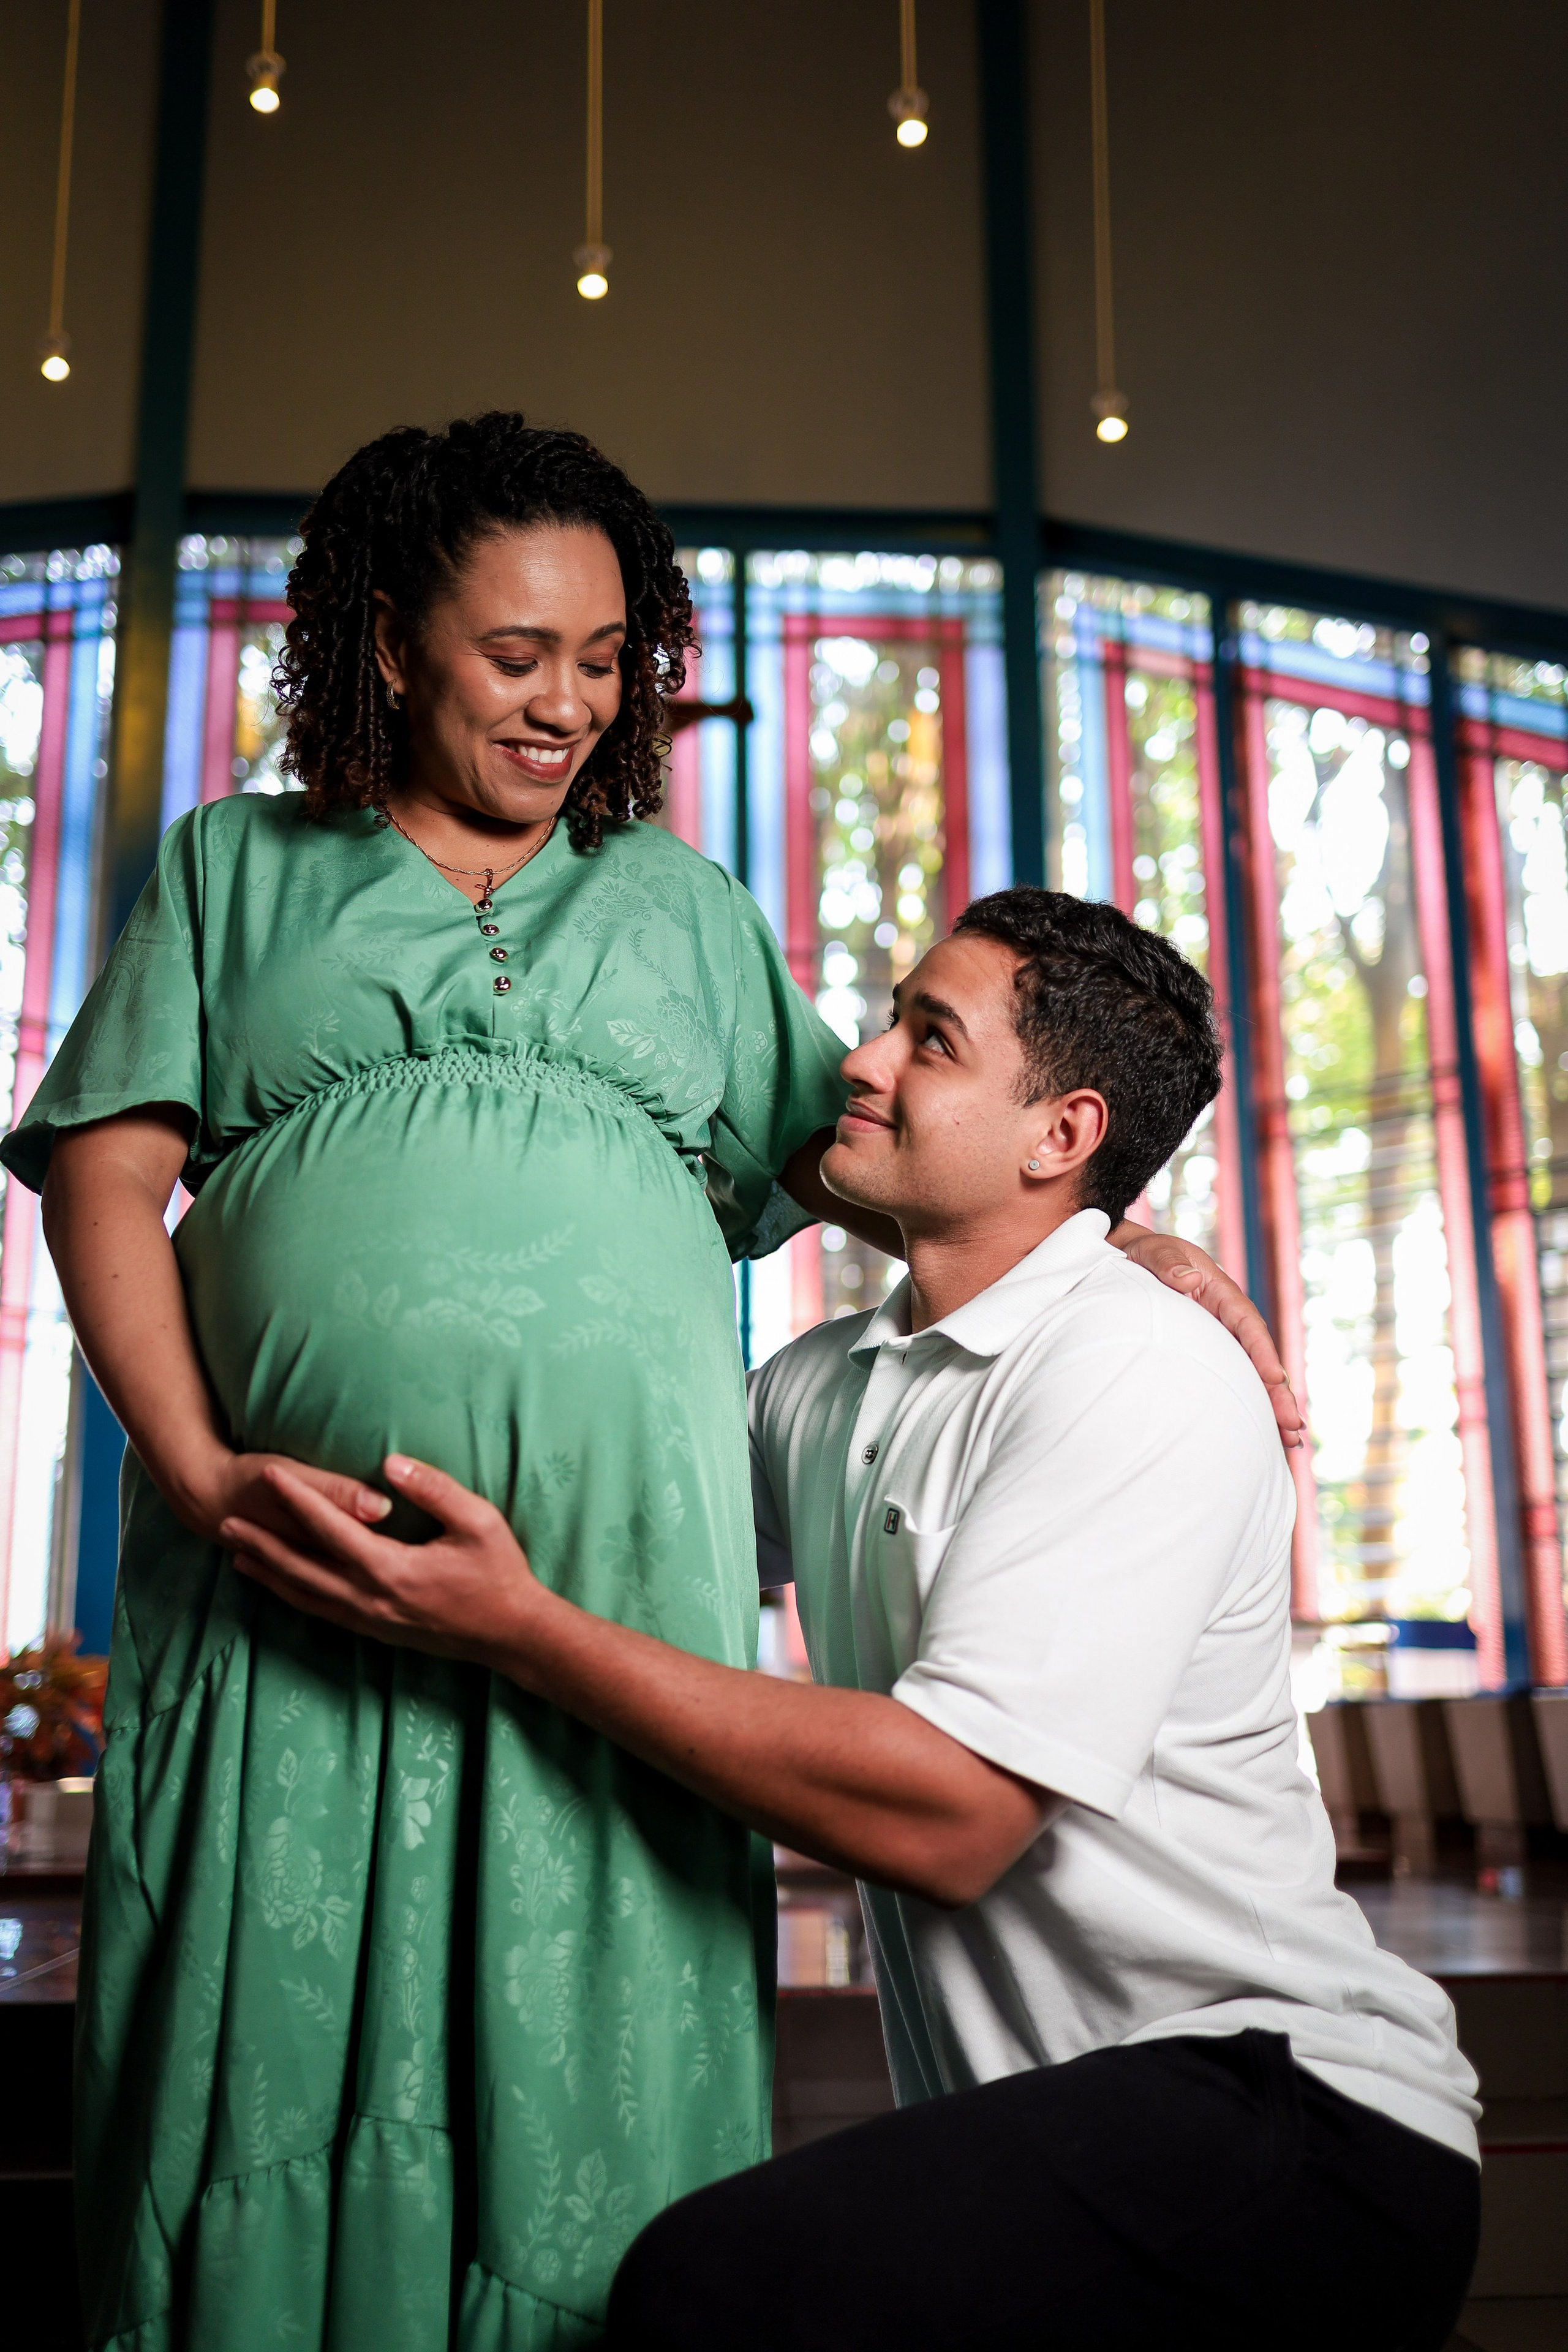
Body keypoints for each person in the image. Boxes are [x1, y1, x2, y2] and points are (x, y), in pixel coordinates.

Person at [5, 413, 1283, 2352]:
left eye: (607, 663)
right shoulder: (234, 870)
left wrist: (1127, 1236)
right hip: (286, 1591)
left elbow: (898, 1150)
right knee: (263, 2033)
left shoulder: (677, 907)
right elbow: (105, 1170)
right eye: (519, 656)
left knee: (582, 2083)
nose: (567, 707)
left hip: (606, 1616)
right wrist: (192, 1473)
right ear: (388, 643)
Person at [224, 889, 1481, 2352]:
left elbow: (950, 1818)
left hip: (1293, 2115)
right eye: (891, 1017)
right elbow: (606, 1517)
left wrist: (517, 1630)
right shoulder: (830, 1384)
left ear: (1057, 1137)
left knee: (717, 2286)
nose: (860, 1062)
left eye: (927, 1041)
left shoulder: (1134, 1372)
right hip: (1071, 2126)